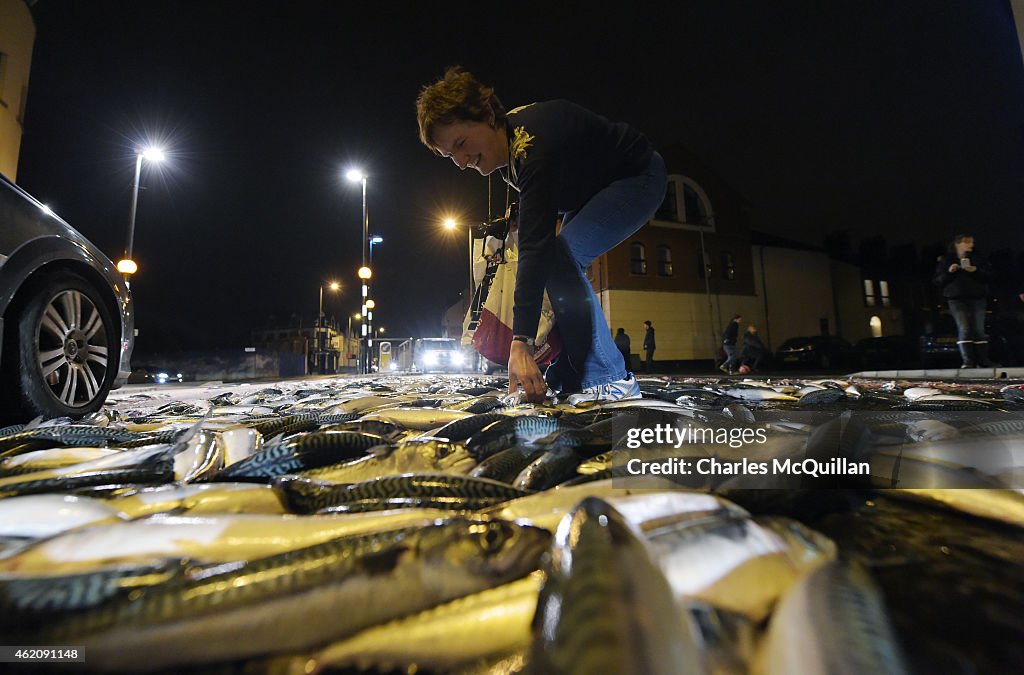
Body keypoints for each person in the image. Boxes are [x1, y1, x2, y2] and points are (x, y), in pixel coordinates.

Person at [417, 67, 667, 403]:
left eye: (461, 144)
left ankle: (613, 377)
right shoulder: (509, 155)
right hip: (592, 193)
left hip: (638, 176)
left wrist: (520, 340)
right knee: (557, 263)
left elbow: (536, 249)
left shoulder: (531, 146)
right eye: (451, 156)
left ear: (488, 115)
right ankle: (573, 366)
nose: (462, 162)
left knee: (557, 257)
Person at [933, 234, 995, 367]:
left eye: (971, 242)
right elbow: (938, 281)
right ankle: (968, 361)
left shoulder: (978, 258)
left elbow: (990, 276)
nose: (971, 245)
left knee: (979, 329)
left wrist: (976, 270)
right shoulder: (946, 260)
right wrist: (949, 272)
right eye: (967, 242)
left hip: (977, 297)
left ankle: (983, 360)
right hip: (956, 298)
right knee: (964, 328)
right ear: (958, 243)